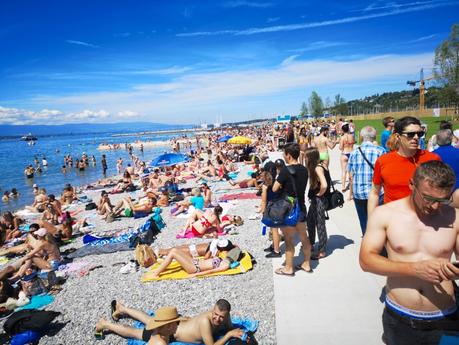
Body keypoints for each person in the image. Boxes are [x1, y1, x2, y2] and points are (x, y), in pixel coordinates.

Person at [359, 161, 459, 345]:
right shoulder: (385, 214)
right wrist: (414, 269)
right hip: (401, 319)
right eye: (428, 198)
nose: (435, 206)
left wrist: (455, 271)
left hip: (446, 318)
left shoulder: (455, 217)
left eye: (442, 200)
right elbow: (366, 260)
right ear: (412, 185)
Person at [367, 116, 440, 216]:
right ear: (398, 137)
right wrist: (372, 220)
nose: (416, 137)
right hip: (393, 220)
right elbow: (375, 193)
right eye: (410, 134)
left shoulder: (433, 159)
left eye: (419, 134)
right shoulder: (383, 161)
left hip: (424, 220)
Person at [95, 299, 245, 345]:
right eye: (215, 315)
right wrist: (228, 335)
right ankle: (105, 324)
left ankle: (123, 308)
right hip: (170, 332)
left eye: (221, 317)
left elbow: (229, 327)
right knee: (136, 333)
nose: (217, 319)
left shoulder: (224, 317)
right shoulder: (206, 322)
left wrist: (232, 330)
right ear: (213, 310)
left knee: (149, 319)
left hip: (176, 324)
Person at [272, 143, 312, 276]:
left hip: (289, 208)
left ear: (288, 155)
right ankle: (306, 264)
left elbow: (275, 188)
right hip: (301, 205)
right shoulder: (304, 169)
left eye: (284, 153)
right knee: (304, 237)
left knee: (289, 239)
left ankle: (288, 268)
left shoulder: (285, 170)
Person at [347, 126, 385, 235]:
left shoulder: (354, 152)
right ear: (374, 137)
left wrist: (351, 192)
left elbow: (350, 175)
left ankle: (366, 236)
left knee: (363, 219)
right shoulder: (381, 151)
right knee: (376, 220)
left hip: (359, 191)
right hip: (377, 192)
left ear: (362, 137)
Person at [149, 240, 241, 278]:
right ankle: (159, 264)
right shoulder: (222, 256)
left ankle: (156, 273)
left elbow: (212, 271)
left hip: (194, 268)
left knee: (173, 252)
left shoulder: (225, 263)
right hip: (195, 262)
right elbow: (236, 246)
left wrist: (196, 275)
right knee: (175, 250)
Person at [305, 148, 331, 260]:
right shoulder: (322, 165)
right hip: (317, 200)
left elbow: (324, 185)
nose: (305, 159)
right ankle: (310, 244)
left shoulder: (317, 168)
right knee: (310, 221)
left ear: (310, 158)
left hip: (320, 200)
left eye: (306, 157)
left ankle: (322, 250)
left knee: (320, 224)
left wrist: (319, 194)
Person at [338, 123, 355, 193]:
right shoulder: (352, 136)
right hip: (351, 153)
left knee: (343, 171)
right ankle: (352, 186)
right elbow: (353, 143)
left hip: (344, 154)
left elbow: (340, 147)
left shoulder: (342, 138)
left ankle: (343, 186)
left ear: (342, 130)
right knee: (351, 172)